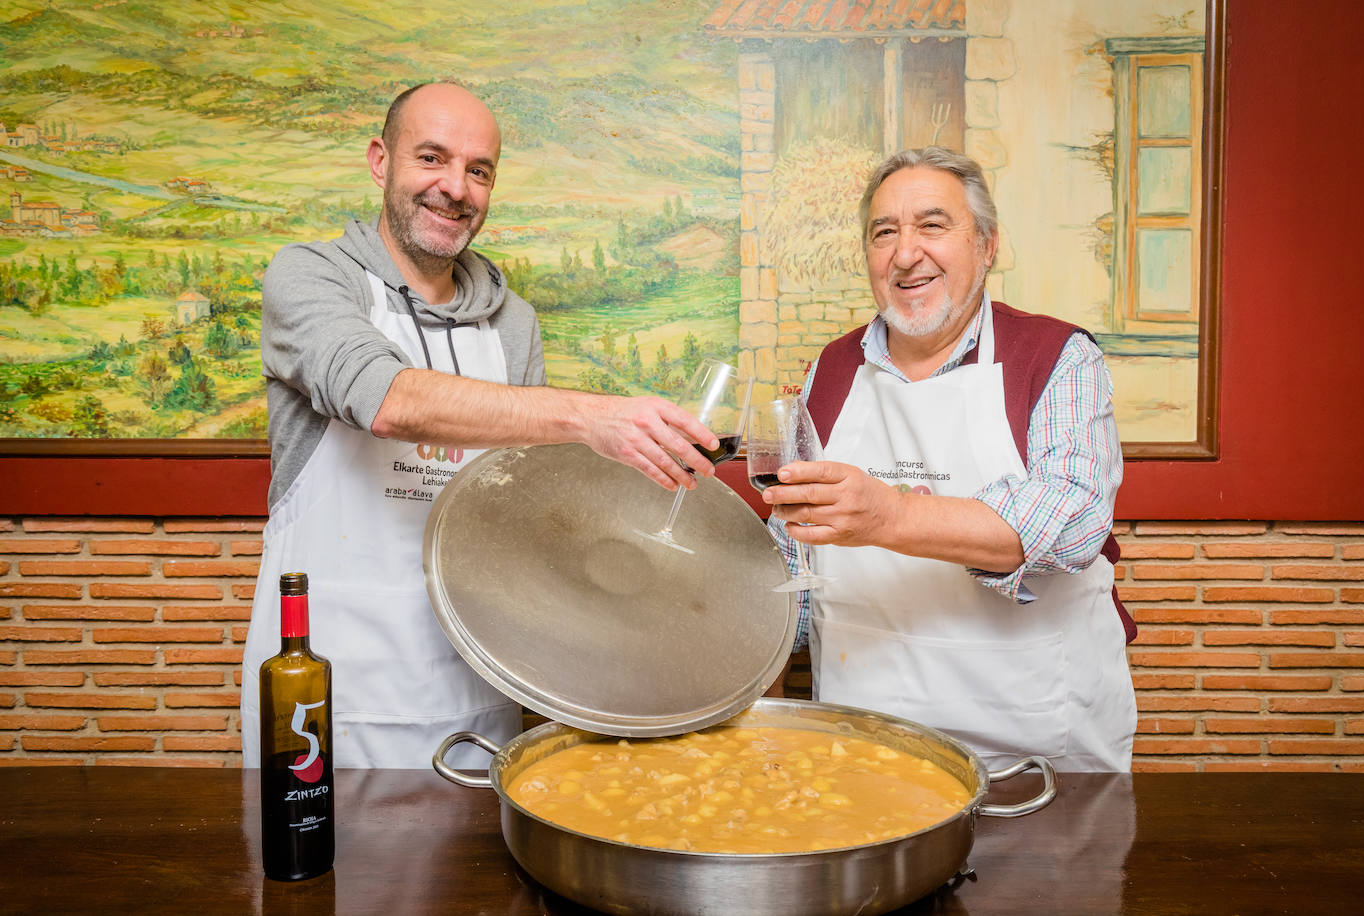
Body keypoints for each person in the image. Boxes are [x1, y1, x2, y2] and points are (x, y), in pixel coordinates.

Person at [240, 83, 719, 769]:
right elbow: (385, 401)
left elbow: (526, 504)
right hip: (321, 694)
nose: (454, 188)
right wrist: (592, 415)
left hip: (475, 692)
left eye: (479, 171)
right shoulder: (310, 275)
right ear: (381, 162)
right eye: (431, 158)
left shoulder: (512, 323)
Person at [762, 147, 1137, 772]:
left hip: (1037, 749)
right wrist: (757, 695)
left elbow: (1071, 526)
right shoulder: (830, 370)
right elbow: (793, 557)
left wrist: (887, 516)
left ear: (986, 245)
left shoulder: (1058, 357)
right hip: (864, 745)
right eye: (884, 233)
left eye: (932, 226)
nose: (906, 254)